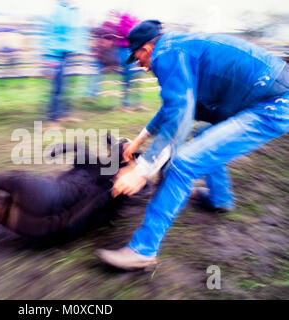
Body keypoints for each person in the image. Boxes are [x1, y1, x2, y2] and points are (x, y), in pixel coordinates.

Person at [96, 20, 289, 270]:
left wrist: (142, 171)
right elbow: (174, 108)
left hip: (271, 106)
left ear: (146, 48)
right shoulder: (177, 48)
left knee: (182, 164)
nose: (142, 67)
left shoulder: (166, 55)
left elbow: (179, 119)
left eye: (137, 58)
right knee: (204, 135)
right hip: (263, 97)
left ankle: (142, 250)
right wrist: (139, 140)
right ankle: (219, 198)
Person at [41, 0, 86, 129]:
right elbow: (49, 33)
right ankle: (53, 119)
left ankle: (65, 114)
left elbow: (77, 33)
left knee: (67, 87)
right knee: (57, 87)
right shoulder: (56, 10)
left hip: (69, 52)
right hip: (56, 53)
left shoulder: (74, 11)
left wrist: (80, 49)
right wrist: (49, 56)